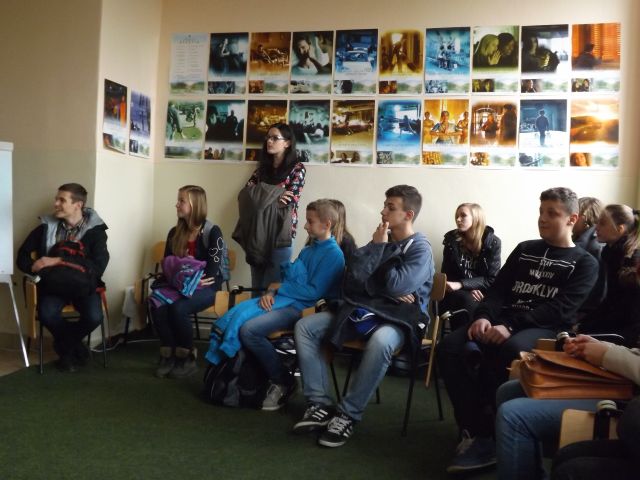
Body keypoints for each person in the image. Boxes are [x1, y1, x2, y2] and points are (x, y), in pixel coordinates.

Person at [437, 187, 599, 473]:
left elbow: (561, 309)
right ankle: (476, 431)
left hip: (544, 328)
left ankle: (494, 433)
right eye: (541, 211)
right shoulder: (525, 249)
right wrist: (483, 317)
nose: (542, 218)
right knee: (449, 347)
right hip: (502, 320)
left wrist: (510, 326)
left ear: (572, 219)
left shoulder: (585, 262)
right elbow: (497, 290)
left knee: (510, 349)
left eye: (552, 213)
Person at [292, 185, 434, 448]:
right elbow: (353, 279)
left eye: (390, 207)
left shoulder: (420, 248)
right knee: (305, 327)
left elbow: (397, 286)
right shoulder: (380, 240)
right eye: (384, 205)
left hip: (401, 319)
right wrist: (378, 255)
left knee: (381, 342)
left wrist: (377, 270)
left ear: (408, 215)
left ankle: (347, 414)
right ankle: (319, 403)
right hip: (366, 311)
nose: (382, 211)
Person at [208, 200, 345, 410]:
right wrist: (271, 292)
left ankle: (283, 380)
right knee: (239, 316)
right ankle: (254, 378)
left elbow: (313, 293)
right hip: (287, 302)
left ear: (327, 224)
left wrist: (277, 288)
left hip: (304, 310)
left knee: (249, 330)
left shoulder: (334, 255)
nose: (305, 226)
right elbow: (291, 281)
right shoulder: (309, 250)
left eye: (310, 221)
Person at [496, 334, 640, 480]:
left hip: (629, 403)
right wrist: (602, 346)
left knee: (512, 416)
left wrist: (607, 354)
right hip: (627, 381)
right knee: (508, 391)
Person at [17, 183, 109, 372]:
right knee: (47, 314)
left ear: (78, 205)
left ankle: (63, 347)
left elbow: (98, 266)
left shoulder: (96, 231)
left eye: (62, 200)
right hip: (52, 286)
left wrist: (58, 260)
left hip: (84, 286)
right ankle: (75, 348)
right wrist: (34, 267)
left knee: (94, 316)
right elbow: (22, 256)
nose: (55, 203)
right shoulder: (45, 227)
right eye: (56, 199)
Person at [149, 185, 223, 379]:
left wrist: (184, 273)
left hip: (206, 286)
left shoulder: (212, 231)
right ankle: (168, 355)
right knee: (157, 303)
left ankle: (187, 357)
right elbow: (167, 264)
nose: (177, 204)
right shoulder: (174, 232)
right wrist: (180, 274)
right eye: (178, 200)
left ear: (195, 205)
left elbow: (211, 272)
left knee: (178, 308)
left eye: (181, 201)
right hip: (178, 283)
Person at [233, 123, 306, 292]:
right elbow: (245, 196)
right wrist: (277, 194)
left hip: (281, 232)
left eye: (275, 138)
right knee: (256, 287)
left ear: (287, 143)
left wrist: (262, 195)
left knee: (271, 289)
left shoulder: (297, 169)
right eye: (268, 137)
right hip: (257, 231)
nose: (269, 141)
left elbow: (289, 200)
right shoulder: (261, 170)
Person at [578, 205, 640, 345]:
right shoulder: (610, 253)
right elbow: (610, 300)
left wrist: (588, 326)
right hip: (616, 319)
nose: (596, 227)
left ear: (620, 229)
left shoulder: (631, 258)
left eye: (602, 223)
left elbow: (626, 308)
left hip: (628, 328)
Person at [440, 203, 501, 330]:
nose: (458, 219)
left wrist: (464, 284)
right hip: (454, 294)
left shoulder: (493, 243)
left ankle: (475, 338)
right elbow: (446, 276)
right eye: (457, 216)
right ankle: (468, 339)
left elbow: (492, 279)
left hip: (482, 293)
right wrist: (465, 288)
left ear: (476, 218)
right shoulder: (452, 241)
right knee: (465, 300)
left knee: (488, 305)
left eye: (463, 216)